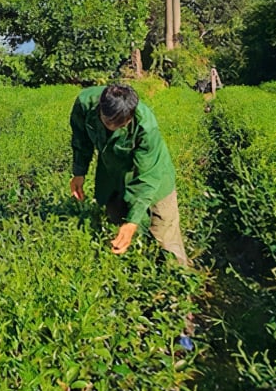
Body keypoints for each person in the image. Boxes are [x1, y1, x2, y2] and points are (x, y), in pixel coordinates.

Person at [70, 83, 191, 266]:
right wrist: (79, 172)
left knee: (164, 237)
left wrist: (132, 221)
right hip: (113, 175)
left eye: (120, 125)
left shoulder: (145, 127)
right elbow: (81, 138)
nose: (112, 128)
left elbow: (147, 177)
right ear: (100, 108)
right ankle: (135, 274)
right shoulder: (85, 103)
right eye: (108, 121)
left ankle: (180, 280)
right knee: (118, 227)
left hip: (154, 177)